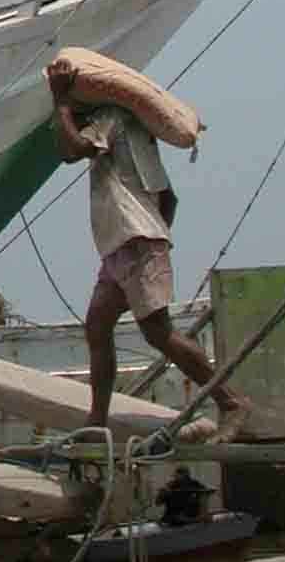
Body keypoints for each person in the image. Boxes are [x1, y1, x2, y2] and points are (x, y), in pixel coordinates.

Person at [47, 55, 249, 439]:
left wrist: (60, 103)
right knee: (98, 325)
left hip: (134, 240)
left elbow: (71, 151)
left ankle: (231, 401)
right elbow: (169, 199)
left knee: (158, 333)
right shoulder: (139, 132)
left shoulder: (111, 119)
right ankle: (96, 422)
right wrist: (155, 234)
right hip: (125, 242)